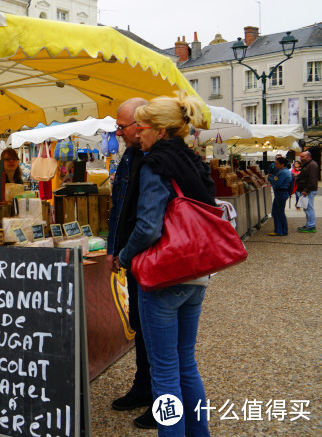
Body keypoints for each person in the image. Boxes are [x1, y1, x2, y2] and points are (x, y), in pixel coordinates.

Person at [117, 93, 215, 437]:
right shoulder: (193, 160)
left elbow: (147, 227)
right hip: (196, 273)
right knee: (187, 365)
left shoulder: (153, 163)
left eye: (140, 128)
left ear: (159, 131)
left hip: (163, 276)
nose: (136, 135)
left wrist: (125, 257)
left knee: (164, 373)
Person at [105, 97, 156, 430]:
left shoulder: (160, 159)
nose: (119, 133)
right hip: (135, 258)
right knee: (141, 325)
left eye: (122, 127)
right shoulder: (130, 157)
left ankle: (163, 404)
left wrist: (123, 252)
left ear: (142, 125)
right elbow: (118, 206)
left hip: (157, 262)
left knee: (159, 338)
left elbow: (150, 224)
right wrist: (114, 249)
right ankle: (143, 387)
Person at [267, 157, 292, 236]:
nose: (275, 165)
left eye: (277, 163)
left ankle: (279, 230)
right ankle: (283, 230)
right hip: (282, 193)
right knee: (278, 212)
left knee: (277, 212)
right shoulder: (285, 171)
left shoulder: (283, 172)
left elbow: (277, 183)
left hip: (281, 193)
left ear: (282, 164)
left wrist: (269, 178)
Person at [296, 151, 319, 233]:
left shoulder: (312, 165)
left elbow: (313, 179)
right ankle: (309, 224)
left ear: (308, 157)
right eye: (300, 156)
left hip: (309, 190)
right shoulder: (307, 164)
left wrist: (307, 190)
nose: (300, 158)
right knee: (307, 208)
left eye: (303, 157)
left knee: (309, 208)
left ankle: (311, 226)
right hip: (306, 189)